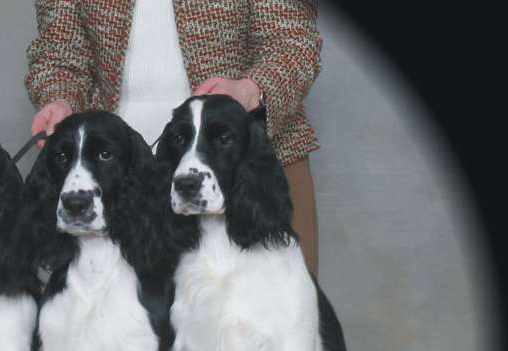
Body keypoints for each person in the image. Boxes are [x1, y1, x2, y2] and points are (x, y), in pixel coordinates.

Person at [25, 0, 323, 274]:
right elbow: (60, 53)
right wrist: (60, 98)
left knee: (276, 310)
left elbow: (293, 42)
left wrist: (250, 90)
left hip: (246, 172)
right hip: (120, 182)